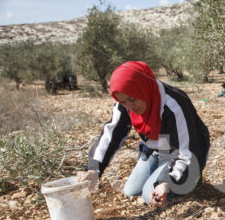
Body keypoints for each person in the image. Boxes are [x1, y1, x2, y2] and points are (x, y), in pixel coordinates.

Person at [77, 61, 210, 207]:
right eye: (123, 101)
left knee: (150, 195)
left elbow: (187, 151)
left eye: (132, 99)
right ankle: (166, 171)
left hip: (190, 149)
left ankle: (190, 178)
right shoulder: (125, 102)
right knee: (131, 191)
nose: (130, 106)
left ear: (143, 88)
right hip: (158, 146)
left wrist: (167, 182)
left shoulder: (173, 104)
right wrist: (94, 168)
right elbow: (111, 134)